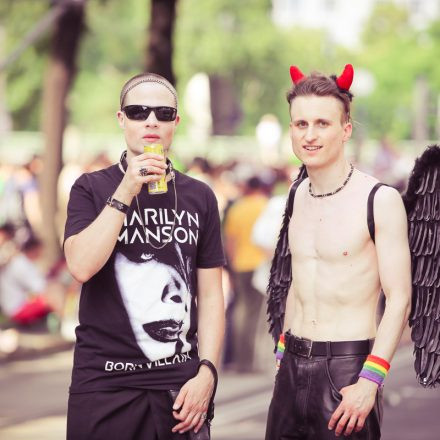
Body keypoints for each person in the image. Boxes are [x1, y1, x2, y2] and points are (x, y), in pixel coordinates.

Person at [64, 72, 225, 439]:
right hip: (104, 384)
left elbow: (212, 295)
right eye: (138, 111)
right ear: (121, 119)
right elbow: (80, 266)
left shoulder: (199, 196)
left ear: (175, 124)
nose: (151, 120)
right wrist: (126, 188)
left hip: (179, 389)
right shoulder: (91, 187)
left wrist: (208, 373)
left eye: (163, 113)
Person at [265, 64, 411, 439]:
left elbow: (399, 298)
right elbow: (299, 279)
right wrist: (282, 356)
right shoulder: (297, 195)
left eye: (322, 124)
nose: (309, 135)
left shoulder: (379, 199)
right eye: (300, 124)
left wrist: (370, 380)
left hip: (347, 370)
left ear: (345, 129)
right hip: (292, 365)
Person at [223, 175, 268, 372]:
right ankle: (249, 360)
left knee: (241, 310)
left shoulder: (237, 208)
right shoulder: (265, 205)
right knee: (255, 313)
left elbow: (229, 241)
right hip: (260, 265)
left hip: (240, 264)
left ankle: (240, 359)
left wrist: (231, 265)